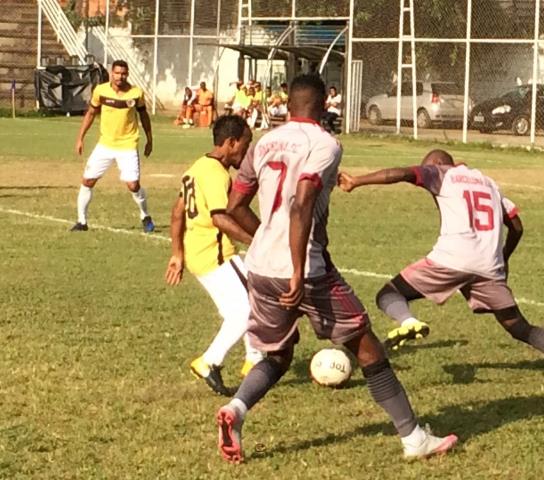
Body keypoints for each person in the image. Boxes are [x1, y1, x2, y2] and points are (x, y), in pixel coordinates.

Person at [215, 74, 457, 464]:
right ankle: (414, 437)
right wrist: (295, 268)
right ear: (324, 105)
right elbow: (303, 201)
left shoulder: (262, 145)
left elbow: (234, 207)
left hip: (260, 266)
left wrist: (269, 241)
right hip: (307, 270)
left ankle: (236, 411)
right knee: (368, 348)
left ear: (289, 105)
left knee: (278, 355)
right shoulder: (326, 144)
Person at [337, 149, 544, 391]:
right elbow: (516, 226)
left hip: (452, 259)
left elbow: (402, 173)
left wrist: (357, 181)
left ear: (436, 164)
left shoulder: (441, 173)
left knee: (389, 294)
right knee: (519, 327)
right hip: (488, 267)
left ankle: (409, 321)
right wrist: (503, 259)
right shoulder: (490, 183)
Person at [165, 115, 264, 397]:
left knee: (250, 302)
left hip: (198, 253)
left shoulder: (195, 168)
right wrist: (257, 240)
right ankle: (209, 361)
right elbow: (221, 218)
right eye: (245, 145)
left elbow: (176, 212)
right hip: (216, 254)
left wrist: (177, 254)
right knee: (248, 311)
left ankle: (254, 360)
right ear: (231, 143)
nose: (246, 153)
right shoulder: (217, 174)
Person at [72, 59, 154, 233]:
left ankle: (145, 215)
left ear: (127, 74)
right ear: (111, 73)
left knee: (133, 185)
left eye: (123, 73)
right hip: (105, 145)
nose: (120, 77)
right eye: (117, 73)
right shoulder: (101, 91)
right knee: (87, 180)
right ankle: (81, 222)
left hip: (128, 144)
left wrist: (149, 139)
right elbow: (91, 114)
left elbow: (144, 116)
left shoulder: (135, 93)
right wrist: (80, 138)